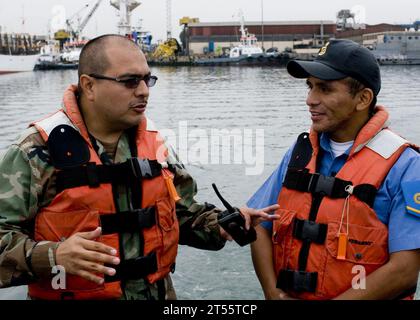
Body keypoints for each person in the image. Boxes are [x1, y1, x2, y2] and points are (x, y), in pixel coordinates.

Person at [0, 34, 278, 300]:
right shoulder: (35, 152)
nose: (144, 91)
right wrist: (54, 255)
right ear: (89, 86)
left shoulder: (154, 145)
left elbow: (180, 214)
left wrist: (222, 223)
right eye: (130, 81)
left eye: (147, 79)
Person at [248, 39, 420, 300]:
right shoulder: (300, 153)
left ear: (363, 99)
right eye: (310, 86)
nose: (310, 100)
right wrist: (273, 293)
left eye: (325, 89)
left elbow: (404, 270)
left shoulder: (406, 165)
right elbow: (259, 224)